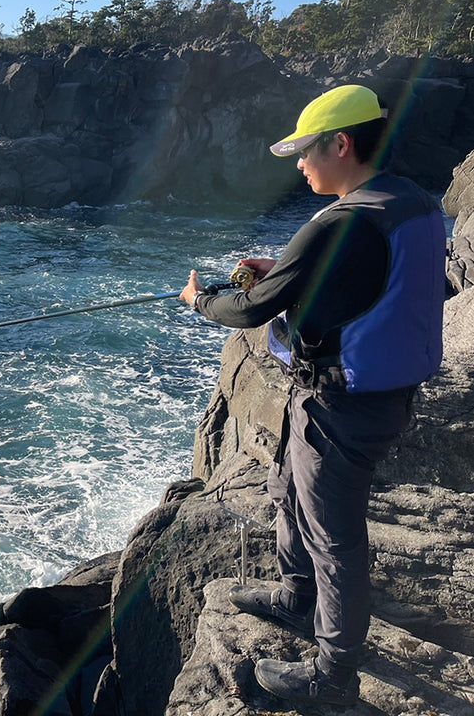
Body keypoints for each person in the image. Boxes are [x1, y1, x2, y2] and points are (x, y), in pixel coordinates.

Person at [179, 84, 446, 707]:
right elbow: (367, 280)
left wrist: (199, 301)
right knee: (286, 489)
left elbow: (250, 309)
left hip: (340, 404)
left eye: (305, 152)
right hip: (375, 393)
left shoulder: (340, 220)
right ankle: (297, 596)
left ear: (342, 143)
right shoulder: (410, 201)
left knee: (335, 538)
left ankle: (332, 680)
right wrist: (291, 270)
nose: (300, 165)